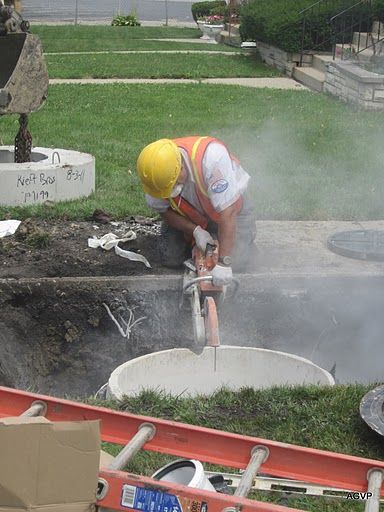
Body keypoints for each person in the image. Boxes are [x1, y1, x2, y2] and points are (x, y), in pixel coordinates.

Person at [136, 136, 256, 285]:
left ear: (180, 167)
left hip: (232, 210)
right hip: (191, 216)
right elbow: (164, 211)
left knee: (238, 262)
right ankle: (204, 242)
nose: (171, 191)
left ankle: (228, 240)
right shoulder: (156, 176)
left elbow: (228, 213)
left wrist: (224, 262)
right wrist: (195, 231)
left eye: (173, 185)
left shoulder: (212, 159)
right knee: (171, 257)